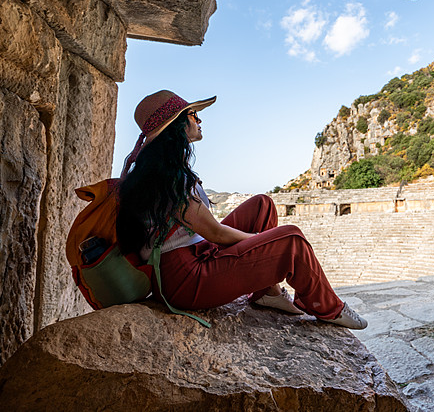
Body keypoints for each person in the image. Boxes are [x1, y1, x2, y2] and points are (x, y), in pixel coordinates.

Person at [115, 90, 367, 329]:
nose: (199, 119)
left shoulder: (158, 171)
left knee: (262, 205)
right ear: (178, 126)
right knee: (291, 239)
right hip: (184, 280)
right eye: (193, 115)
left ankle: (268, 293)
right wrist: (264, 243)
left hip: (191, 257)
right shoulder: (167, 180)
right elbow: (218, 234)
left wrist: (259, 243)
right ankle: (329, 308)